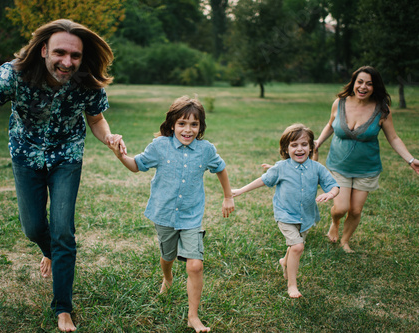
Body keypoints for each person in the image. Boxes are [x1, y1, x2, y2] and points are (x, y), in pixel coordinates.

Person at [0, 19, 126, 332]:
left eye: (75, 56)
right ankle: (51, 252)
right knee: (33, 227)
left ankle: (63, 308)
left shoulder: (86, 81)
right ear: (44, 49)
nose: (67, 62)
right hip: (25, 156)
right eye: (60, 53)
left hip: (67, 157)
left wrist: (110, 137)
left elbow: (97, 120)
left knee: (63, 230)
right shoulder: (13, 75)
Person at [108, 96, 235, 332]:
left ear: (201, 127)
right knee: (168, 256)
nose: (188, 130)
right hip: (164, 214)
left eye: (194, 124)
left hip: (191, 217)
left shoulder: (206, 150)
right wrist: (120, 156)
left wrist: (228, 196)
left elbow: (221, 168)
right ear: (172, 125)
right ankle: (167, 277)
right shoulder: (159, 147)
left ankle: (193, 316)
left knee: (195, 265)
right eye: (182, 124)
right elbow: (137, 165)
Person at [314, 66, 419, 253]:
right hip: (339, 165)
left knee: (355, 210)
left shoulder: (382, 110)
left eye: (369, 84)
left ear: (375, 87)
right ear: (354, 83)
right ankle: (335, 222)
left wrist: (411, 160)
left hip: (366, 169)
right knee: (341, 208)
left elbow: (393, 138)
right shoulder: (339, 103)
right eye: (360, 82)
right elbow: (331, 125)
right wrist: (318, 143)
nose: (363, 87)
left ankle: (345, 241)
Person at [232, 124, 339, 298]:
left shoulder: (316, 168)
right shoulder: (281, 168)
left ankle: (285, 261)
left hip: (306, 217)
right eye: (294, 145)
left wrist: (331, 193)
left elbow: (333, 185)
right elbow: (263, 180)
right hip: (286, 215)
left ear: (311, 147)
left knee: (294, 247)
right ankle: (292, 285)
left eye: (304, 144)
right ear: (286, 148)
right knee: (297, 246)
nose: (299, 149)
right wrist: (241, 190)